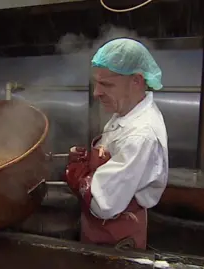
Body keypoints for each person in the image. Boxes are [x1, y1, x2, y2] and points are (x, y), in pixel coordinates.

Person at [65, 38, 168, 250]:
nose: (96, 93)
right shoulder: (126, 111)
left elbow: (105, 204)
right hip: (99, 233)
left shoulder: (140, 135)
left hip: (116, 239)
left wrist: (82, 180)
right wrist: (90, 164)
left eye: (107, 84)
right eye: (96, 82)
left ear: (137, 81)